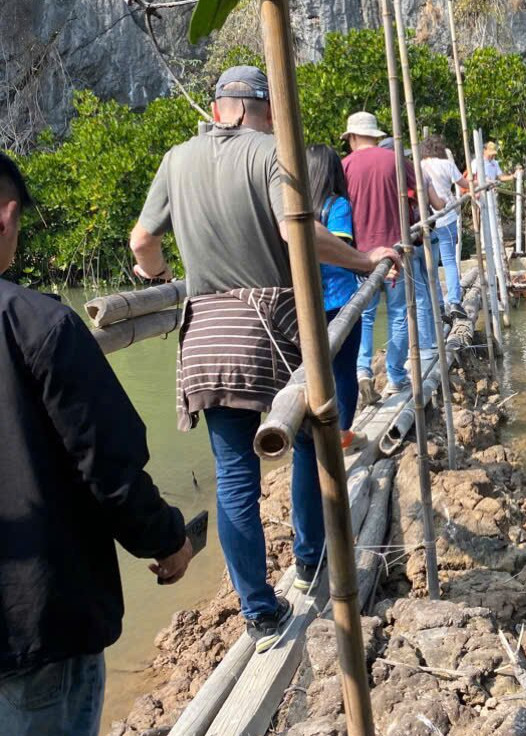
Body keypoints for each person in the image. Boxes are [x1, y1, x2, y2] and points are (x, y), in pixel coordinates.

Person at [129, 68, 400, 652]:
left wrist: (160, 276)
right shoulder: (273, 153)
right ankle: (308, 558)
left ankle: (257, 610)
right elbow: (296, 232)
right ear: (262, 109)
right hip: (272, 331)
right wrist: (364, 259)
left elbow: (141, 243)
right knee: (307, 441)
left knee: (234, 478)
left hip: (206, 336)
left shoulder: (176, 159)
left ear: (217, 108)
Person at [0, 152, 193, 736]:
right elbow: (107, 463)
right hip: (39, 623)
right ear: (6, 216)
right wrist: (166, 539)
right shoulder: (38, 324)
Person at [341, 113, 443, 399]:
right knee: (400, 312)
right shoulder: (397, 161)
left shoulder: (344, 166)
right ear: (376, 135)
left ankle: (362, 370)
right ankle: (396, 375)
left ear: (352, 137)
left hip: (360, 255)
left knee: (364, 314)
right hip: (397, 249)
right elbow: (423, 195)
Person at [305, 144, 365, 452]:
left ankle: (311, 434)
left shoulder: (293, 211)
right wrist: (365, 262)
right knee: (344, 370)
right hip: (339, 299)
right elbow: (339, 248)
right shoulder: (337, 205)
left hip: (305, 305)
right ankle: (342, 433)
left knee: (311, 372)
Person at [420, 134, 470, 319]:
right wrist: (479, 183)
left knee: (431, 265)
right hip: (447, 217)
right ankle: (455, 301)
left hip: (428, 220)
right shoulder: (447, 164)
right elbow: (464, 184)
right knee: (449, 261)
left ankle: (439, 305)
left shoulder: (419, 166)